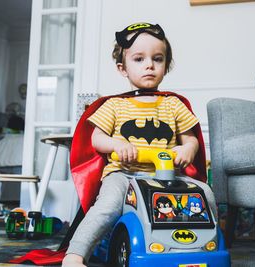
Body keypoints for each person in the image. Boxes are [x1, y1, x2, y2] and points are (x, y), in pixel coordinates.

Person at [62, 22, 217, 267]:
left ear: (166, 66)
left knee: (204, 193)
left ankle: (206, 246)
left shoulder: (173, 105)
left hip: (166, 174)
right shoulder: (114, 105)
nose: (149, 65)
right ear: (123, 68)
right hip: (123, 174)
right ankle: (75, 255)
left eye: (157, 59)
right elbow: (96, 139)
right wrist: (116, 144)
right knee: (107, 205)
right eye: (139, 59)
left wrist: (187, 149)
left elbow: (191, 139)